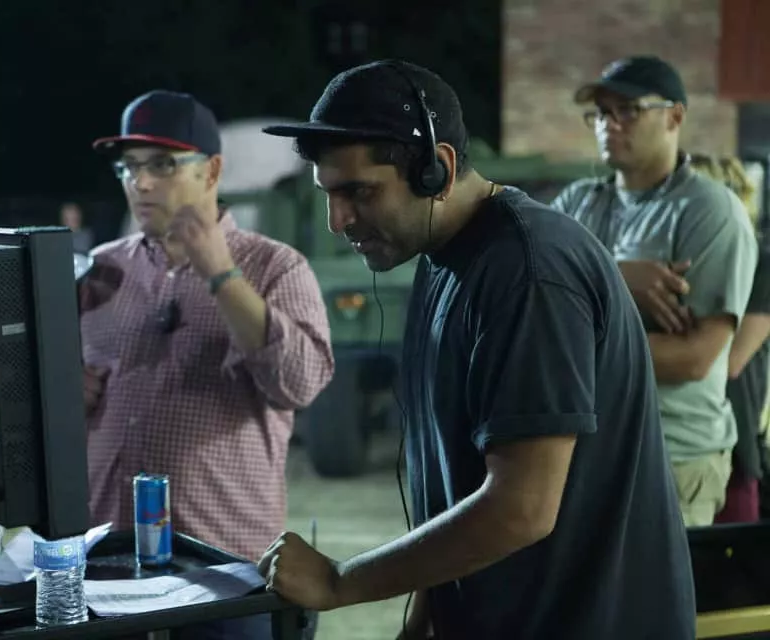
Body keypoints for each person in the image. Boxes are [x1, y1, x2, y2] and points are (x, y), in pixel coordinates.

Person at [257, 60, 695, 640]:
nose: (338, 221)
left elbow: (522, 506)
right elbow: (457, 483)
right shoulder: (442, 260)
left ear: (436, 169)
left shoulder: (528, 272)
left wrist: (341, 582)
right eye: (328, 195)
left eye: (359, 192)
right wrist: (426, 616)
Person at [81, 90, 334, 639]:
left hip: (223, 575)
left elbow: (299, 384)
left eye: (162, 165)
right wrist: (59, 390)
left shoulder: (275, 267)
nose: (141, 183)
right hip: (106, 566)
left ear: (213, 170)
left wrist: (221, 274)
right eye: (129, 167)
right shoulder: (100, 272)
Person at [552, 56, 758, 526]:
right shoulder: (578, 203)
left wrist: (561, 343)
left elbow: (693, 358)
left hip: (670, 455)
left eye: (628, 110)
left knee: (651, 578)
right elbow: (529, 295)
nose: (608, 124)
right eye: (601, 113)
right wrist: (614, 276)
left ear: (675, 116)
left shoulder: (708, 211)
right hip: (579, 449)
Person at [690, 153, 770, 523]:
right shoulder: (689, 267)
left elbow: (732, 361)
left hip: (735, 445)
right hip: (685, 441)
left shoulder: (761, 264)